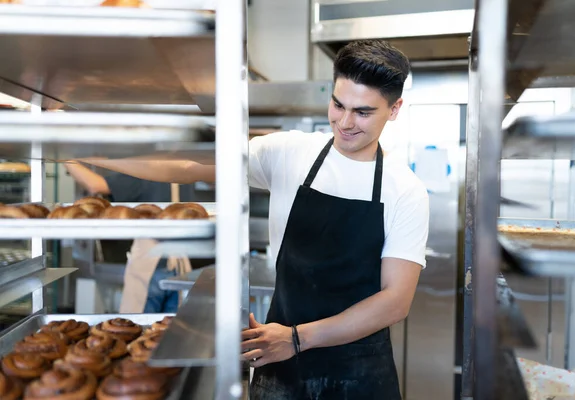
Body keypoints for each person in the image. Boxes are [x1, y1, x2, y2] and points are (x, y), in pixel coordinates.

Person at [77, 39, 429, 399]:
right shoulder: (290, 153)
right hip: (279, 363)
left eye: (363, 112)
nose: (345, 122)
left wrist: (296, 338)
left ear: (395, 108)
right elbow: (189, 163)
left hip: (359, 372)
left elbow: (394, 301)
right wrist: (85, 152)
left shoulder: (404, 189)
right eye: (338, 105)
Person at [64, 161, 196, 313]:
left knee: (142, 328)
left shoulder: (146, 171)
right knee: (170, 328)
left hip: (151, 268)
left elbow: (94, 184)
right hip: (180, 267)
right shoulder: (182, 170)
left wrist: (66, 160)